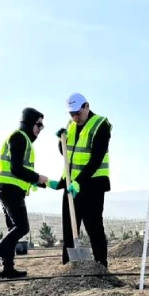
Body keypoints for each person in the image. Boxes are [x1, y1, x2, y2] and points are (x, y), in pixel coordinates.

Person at [0, 107, 51, 279]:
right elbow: (16, 168)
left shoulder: (23, 139)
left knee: (13, 228)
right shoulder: (19, 137)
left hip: (9, 187)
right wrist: (37, 177)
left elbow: (21, 170)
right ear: (28, 123)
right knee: (22, 227)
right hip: (9, 188)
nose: (41, 129)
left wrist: (42, 182)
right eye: (39, 125)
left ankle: (8, 268)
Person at [53, 93, 112, 267]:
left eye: (77, 113)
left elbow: (96, 159)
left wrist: (79, 182)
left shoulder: (101, 125)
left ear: (86, 106)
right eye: (71, 114)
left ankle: (101, 266)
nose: (75, 117)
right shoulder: (70, 125)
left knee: (94, 227)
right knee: (69, 229)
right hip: (71, 185)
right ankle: (69, 268)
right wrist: (61, 141)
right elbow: (67, 154)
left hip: (93, 185)